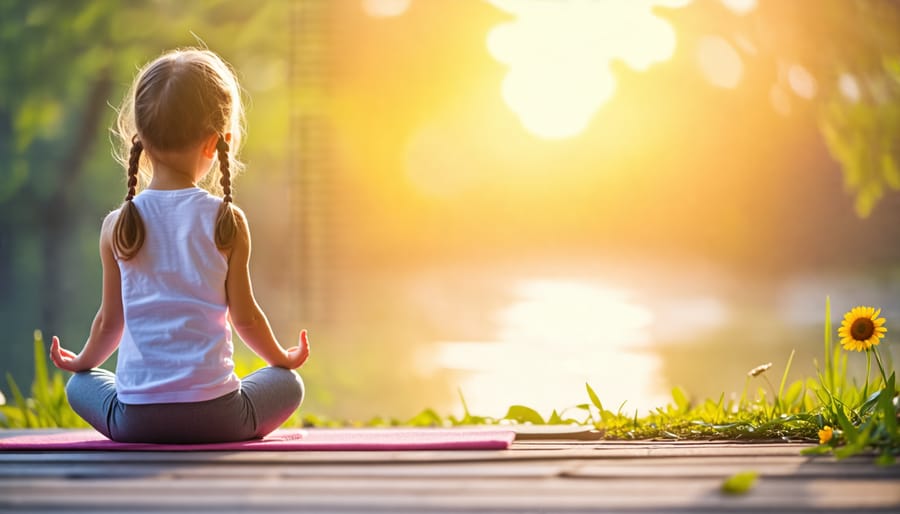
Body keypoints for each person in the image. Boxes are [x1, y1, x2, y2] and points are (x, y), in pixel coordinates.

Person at [49, 48, 310, 444]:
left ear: (140, 138)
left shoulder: (117, 225)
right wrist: (283, 358)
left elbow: (109, 323)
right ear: (215, 144)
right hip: (221, 419)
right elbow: (246, 320)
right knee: (288, 383)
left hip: (134, 423)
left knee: (78, 385)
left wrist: (83, 362)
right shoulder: (228, 221)